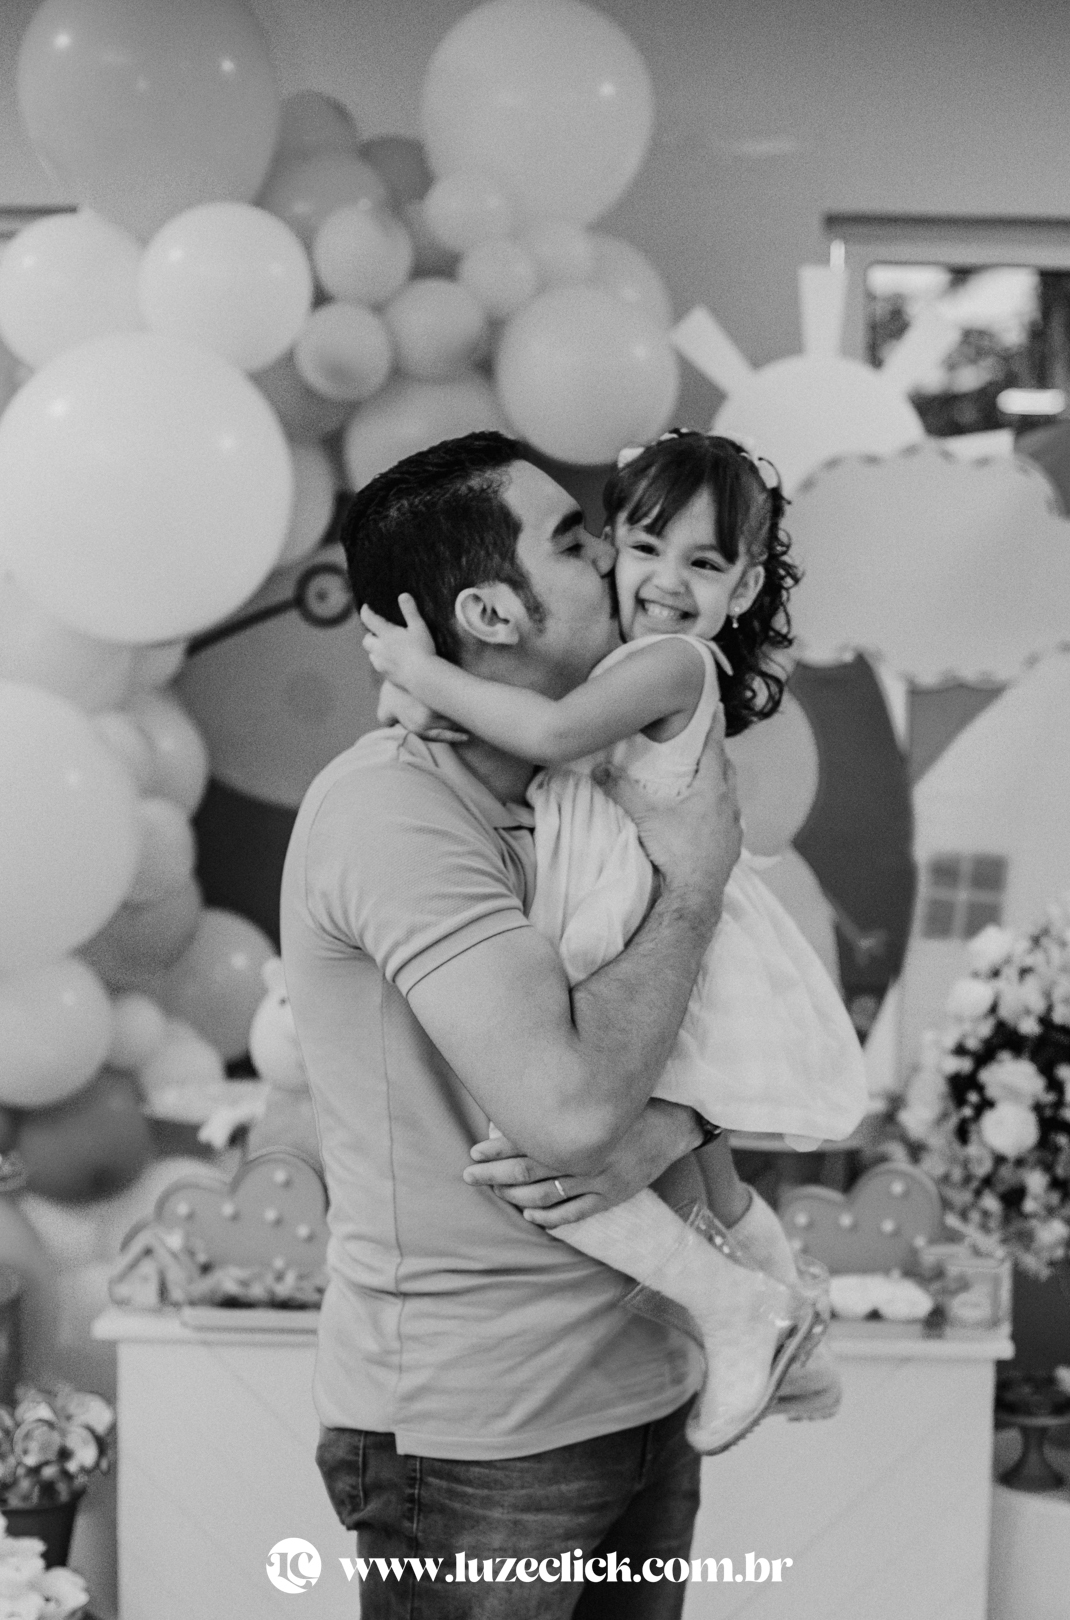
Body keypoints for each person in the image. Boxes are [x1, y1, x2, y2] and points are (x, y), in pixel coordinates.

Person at [281, 431, 804, 1619]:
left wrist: (677, 1124)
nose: (620, 562)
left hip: (646, 1389)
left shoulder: (584, 791)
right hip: (484, 1436)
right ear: (490, 613)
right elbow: (569, 1113)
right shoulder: (393, 809)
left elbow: (698, 1027)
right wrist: (695, 885)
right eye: (580, 543)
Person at [360, 430, 867, 1454]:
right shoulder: (619, 666)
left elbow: (549, 737)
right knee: (707, 1181)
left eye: (705, 562)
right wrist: (420, 692)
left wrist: (420, 671)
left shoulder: (669, 663)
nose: (665, 580)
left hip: (629, 913)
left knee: (556, 1157)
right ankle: (792, 1328)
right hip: (644, 901)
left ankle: (740, 1312)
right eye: (642, 546)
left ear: (744, 585)